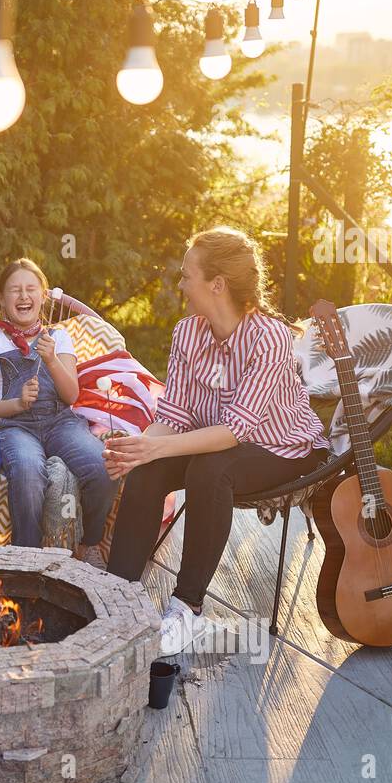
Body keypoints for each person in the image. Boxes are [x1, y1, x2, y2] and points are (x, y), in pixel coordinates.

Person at [103, 227, 330, 655]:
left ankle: (186, 608)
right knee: (150, 467)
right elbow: (174, 416)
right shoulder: (188, 333)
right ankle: (117, 599)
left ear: (217, 284)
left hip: (284, 448)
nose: (181, 283)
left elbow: (235, 431)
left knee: (210, 469)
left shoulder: (270, 338)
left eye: (188, 274)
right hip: (217, 443)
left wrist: (157, 446)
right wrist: (140, 448)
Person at [0, 258, 117, 568]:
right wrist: (16, 404)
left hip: (60, 421)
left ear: (43, 296)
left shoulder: (58, 338)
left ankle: (89, 543)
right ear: (1, 298)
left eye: (30, 289)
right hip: (15, 426)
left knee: (102, 467)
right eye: (14, 290)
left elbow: (71, 395)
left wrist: (52, 360)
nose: (23, 296)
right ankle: (28, 557)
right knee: (26, 471)